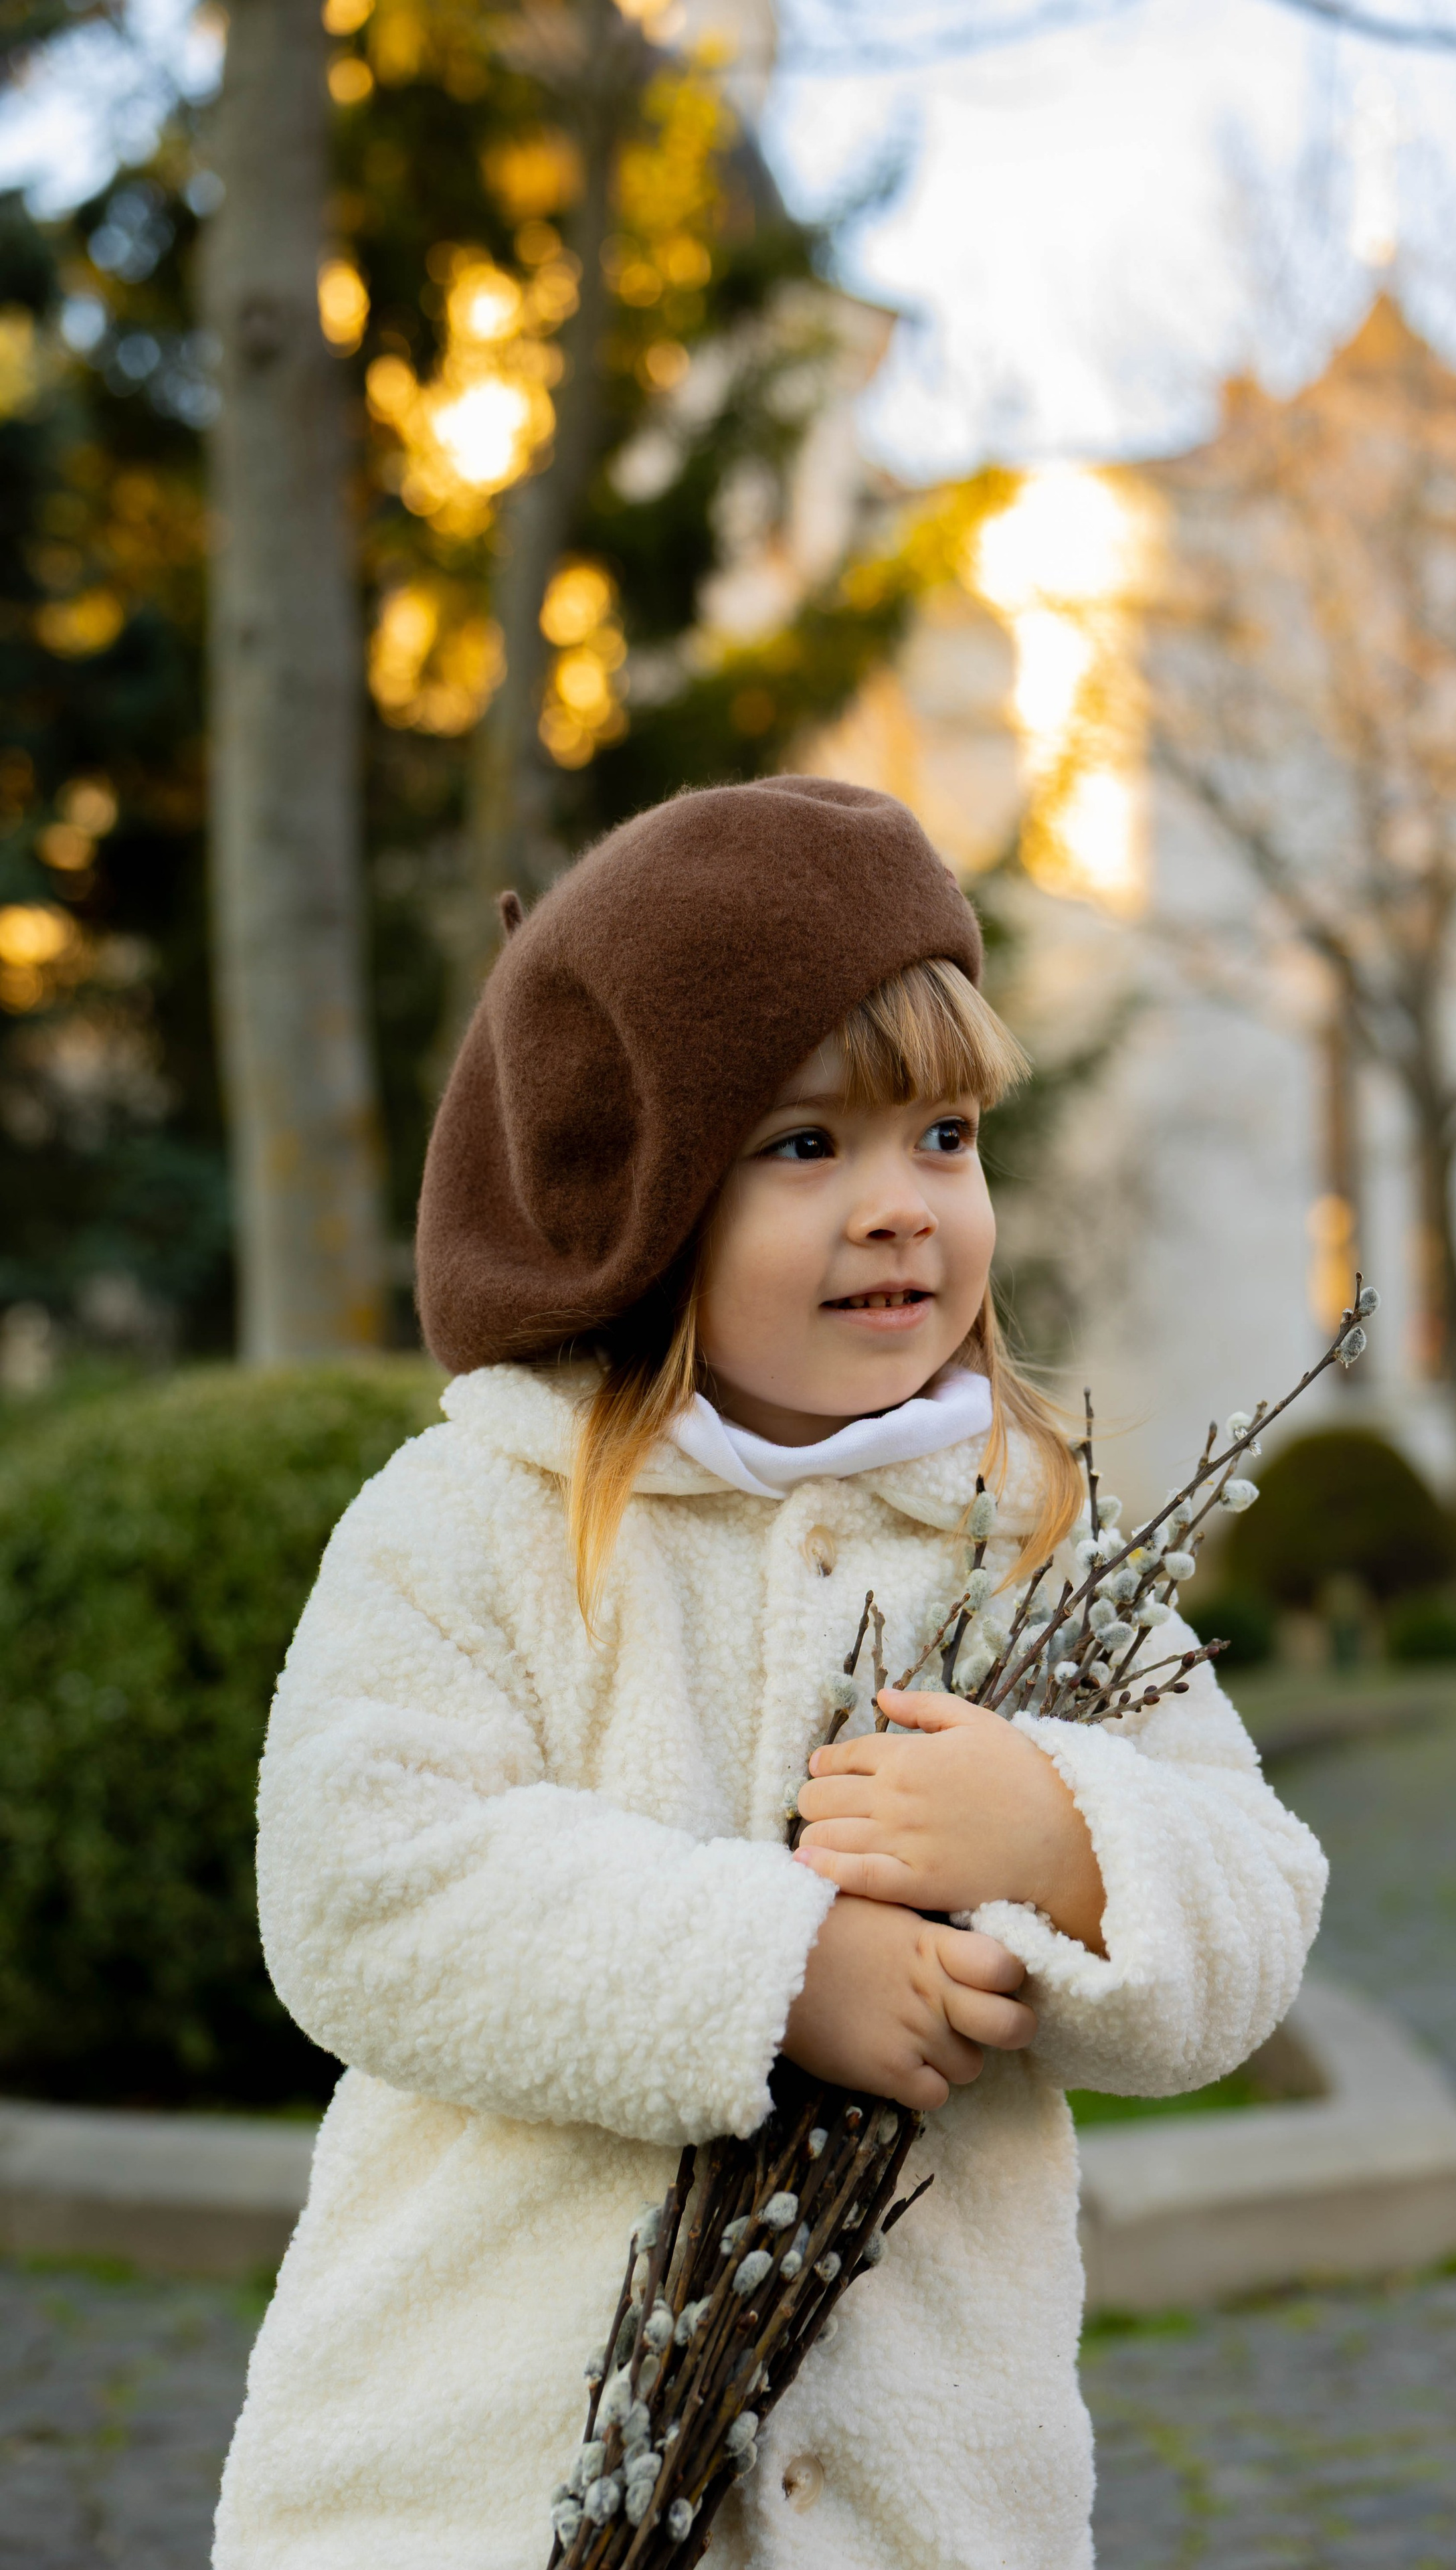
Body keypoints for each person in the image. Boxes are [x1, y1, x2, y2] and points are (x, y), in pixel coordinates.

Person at [213, 776, 1326, 2570]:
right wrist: (773, 1969)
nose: (903, 1209)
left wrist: (1062, 1839)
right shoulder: (486, 1511)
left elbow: (1258, 1901)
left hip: (912, 2521)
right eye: (808, 1147)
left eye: (946, 1138)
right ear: (635, 1193)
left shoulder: (1030, 1527)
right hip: (483, 2492)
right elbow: (361, 1882)